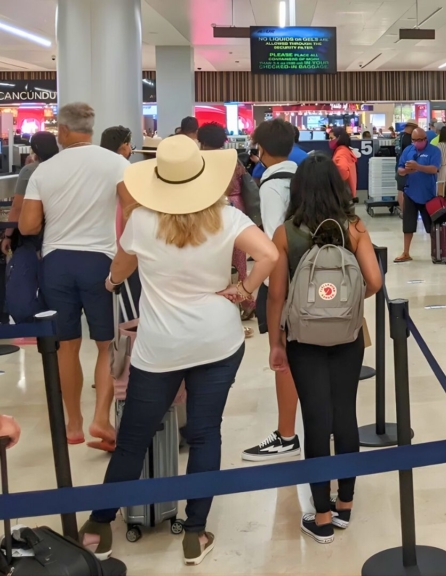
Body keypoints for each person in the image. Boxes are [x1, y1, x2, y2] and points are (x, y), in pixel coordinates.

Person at [78, 135, 278, 565]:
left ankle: (100, 522)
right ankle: (194, 532)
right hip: (218, 341)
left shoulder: (142, 222)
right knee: (206, 432)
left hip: (160, 346)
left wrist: (112, 283)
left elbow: (120, 268)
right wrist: (244, 289)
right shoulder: (227, 217)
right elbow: (269, 254)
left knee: (133, 437)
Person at [265, 153, 382, 544]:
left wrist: (275, 343)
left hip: (303, 339)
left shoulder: (286, 233)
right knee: (345, 412)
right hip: (348, 336)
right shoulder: (354, 227)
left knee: (316, 418)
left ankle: (322, 515)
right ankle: (346, 504)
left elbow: (277, 295)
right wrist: (347, 304)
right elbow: (375, 281)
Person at [19, 103, 128, 451]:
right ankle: (101, 418)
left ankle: (74, 425)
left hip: (56, 263)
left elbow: (28, 225)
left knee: (66, 346)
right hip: (100, 262)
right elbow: (135, 211)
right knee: (105, 344)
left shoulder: (44, 170)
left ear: (62, 131)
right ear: (91, 129)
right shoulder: (117, 163)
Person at [243, 118, 303, 462]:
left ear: (260, 150)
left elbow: (272, 245)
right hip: (313, 279)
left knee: (284, 360)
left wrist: (252, 286)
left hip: (283, 283)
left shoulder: (269, 184)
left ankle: (286, 434)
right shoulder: (306, 174)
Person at [198, 122, 259, 337]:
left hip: (211, 210)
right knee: (238, 260)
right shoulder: (231, 158)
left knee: (213, 259)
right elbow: (244, 185)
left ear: (202, 141)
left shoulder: (200, 160)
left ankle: (218, 305)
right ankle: (246, 302)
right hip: (236, 208)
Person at [3, 132, 58, 255]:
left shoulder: (29, 170)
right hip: (57, 232)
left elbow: (17, 207)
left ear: (34, 149)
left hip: (33, 237)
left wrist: (8, 235)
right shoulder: (63, 167)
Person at [394, 128, 441, 263]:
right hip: (410, 193)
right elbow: (400, 169)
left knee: (431, 226)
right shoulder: (408, 150)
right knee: (408, 225)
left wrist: (418, 167)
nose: (417, 143)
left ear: (425, 139)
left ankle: (437, 251)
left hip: (428, 194)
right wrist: (405, 171)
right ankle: (406, 252)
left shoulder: (434, 151)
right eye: (414, 140)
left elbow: (434, 169)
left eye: (419, 140)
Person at [331, 129, 358, 199]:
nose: (329, 141)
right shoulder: (345, 150)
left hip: (342, 194)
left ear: (339, 138)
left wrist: (335, 182)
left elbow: (342, 170)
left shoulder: (341, 153)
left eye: (331, 138)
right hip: (348, 193)